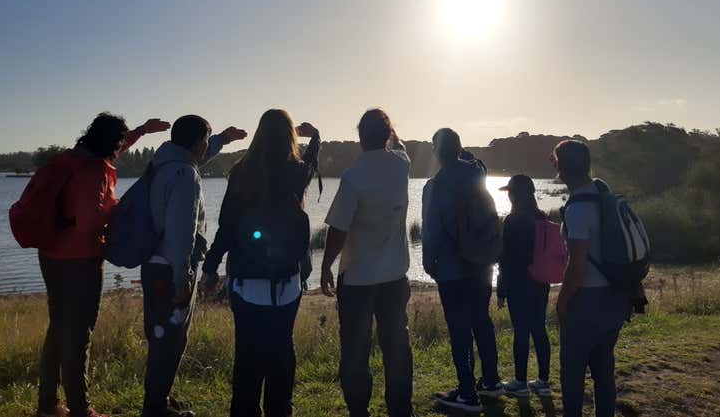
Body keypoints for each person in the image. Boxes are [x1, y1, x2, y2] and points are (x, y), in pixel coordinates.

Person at [37, 113, 171, 417]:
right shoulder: (96, 170)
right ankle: (81, 410)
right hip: (80, 260)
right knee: (79, 335)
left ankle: (47, 405)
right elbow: (89, 224)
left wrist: (142, 132)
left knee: (58, 328)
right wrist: (118, 212)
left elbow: (115, 150)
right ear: (110, 142)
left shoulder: (70, 159)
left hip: (50, 253)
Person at [200, 110, 320, 417]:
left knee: (248, 357)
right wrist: (315, 136)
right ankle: (281, 410)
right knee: (282, 350)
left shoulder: (242, 172)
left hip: (245, 282)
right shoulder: (297, 171)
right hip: (288, 284)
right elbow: (311, 162)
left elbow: (226, 227)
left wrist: (211, 267)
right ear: (290, 136)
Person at [141, 116, 247, 417]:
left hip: (153, 264)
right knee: (171, 338)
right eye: (207, 140)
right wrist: (182, 277)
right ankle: (155, 408)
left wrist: (223, 139)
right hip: (169, 269)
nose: (207, 146)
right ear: (197, 142)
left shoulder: (164, 160)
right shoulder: (186, 175)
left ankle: (158, 398)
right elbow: (180, 232)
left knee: (160, 336)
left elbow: (196, 153)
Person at [320, 108, 413, 417]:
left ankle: (359, 411)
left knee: (356, 352)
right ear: (388, 135)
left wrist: (325, 267)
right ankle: (400, 409)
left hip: (358, 278)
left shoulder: (354, 176)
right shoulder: (401, 166)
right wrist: (391, 133)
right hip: (395, 275)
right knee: (396, 346)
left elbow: (338, 229)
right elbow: (399, 147)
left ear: (359, 138)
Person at [421, 128, 503, 412]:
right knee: (481, 320)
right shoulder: (477, 173)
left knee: (459, 328)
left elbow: (430, 231)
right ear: (459, 149)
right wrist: (463, 154)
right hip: (482, 262)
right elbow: (475, 160)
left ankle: (467, 393)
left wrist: (429, 263)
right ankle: (491, 381)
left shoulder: (435, 185)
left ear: (436, 153)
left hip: (452, 267)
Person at [553, 140, 631, 417]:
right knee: (603, 371)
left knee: (572, 374)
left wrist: (562, 303)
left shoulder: (578, 209)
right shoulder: (602, 192)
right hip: (615, 296)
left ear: (561, 168)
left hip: (587, 300)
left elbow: (577, 266)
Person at [496, 175, 552, 397]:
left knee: (521, 332)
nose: (508, 195)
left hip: (519, 284)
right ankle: (544, 381)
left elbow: (505, 259)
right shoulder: (542, 218)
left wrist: (501, 291)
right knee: (539, 329)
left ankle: (520, 382)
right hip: (541, 282)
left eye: (510, 191)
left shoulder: (512, 221)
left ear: (515, 194)